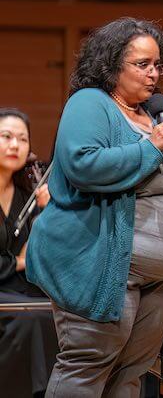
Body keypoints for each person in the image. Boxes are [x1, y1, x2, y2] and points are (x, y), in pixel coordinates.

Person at [25, 17, 163, 397]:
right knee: (87, 366)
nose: (154, 74)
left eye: (158, 65)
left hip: (159, 281)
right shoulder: (90, 104)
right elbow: (83, 165)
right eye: (143, 64)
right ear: (112, 63)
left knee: (132, 374)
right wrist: (148, 149)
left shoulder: (156, 115)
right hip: (100, 268)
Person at [0, 108, 57, 397]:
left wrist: (47, 213)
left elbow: (40, 252)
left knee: (53, 313)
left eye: (23, 139)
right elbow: (22, 258)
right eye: (6, 136)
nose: (15, 145)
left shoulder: (29, 194)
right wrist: (19, 262)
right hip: (5, 289)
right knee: (29, 319)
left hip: (20, 288)